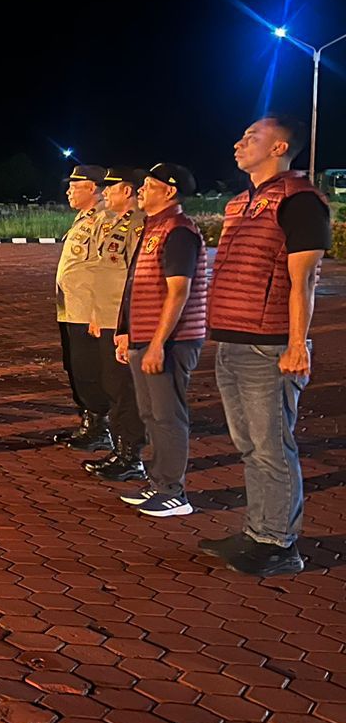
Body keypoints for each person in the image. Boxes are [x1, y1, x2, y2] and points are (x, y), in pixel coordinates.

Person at [200, 116, 330, 576]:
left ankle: (279, 545)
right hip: (233, 342)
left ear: (279, 148)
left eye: (250, 137)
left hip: (269, 346)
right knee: (250, 446)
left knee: (272, 446)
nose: (239, 143)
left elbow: (304, 282)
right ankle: (259, 531)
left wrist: (297, 345)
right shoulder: (242, 203)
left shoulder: (299, 202)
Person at [114, 163, 209, 520]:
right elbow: (135, 286)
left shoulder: (179, 230)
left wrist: (156, 344)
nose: (140, 191)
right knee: (151, 413)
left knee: (167, 415)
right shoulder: (152, 227)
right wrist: (126, 333)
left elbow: (179, 291)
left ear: (169, 191)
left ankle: (173, 491)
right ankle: (159, 483)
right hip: (145, 336)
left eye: (148, 186)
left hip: (171, 340)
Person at [82, 168, 148, 483]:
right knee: (112, 385)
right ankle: (120, 449)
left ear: (127, 191)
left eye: (111, 189)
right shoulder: (116, 224)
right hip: (106, 317)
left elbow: (136, 278)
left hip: (122, 320)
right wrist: (96, 314)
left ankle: (130, 456)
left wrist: (127, 326)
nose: (105, 193)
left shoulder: (138, 225)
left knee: (125, 390)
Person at [52, 164, 113, 452]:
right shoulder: (85, 218)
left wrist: (99, 311)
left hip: (88, 311)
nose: (68, 191)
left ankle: (100, 428)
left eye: (75, 186)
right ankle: (88, 422)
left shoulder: (105, 219)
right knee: (75, 366)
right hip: (70, 308)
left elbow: (107, 269)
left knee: (89, 369)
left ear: (92, 188)